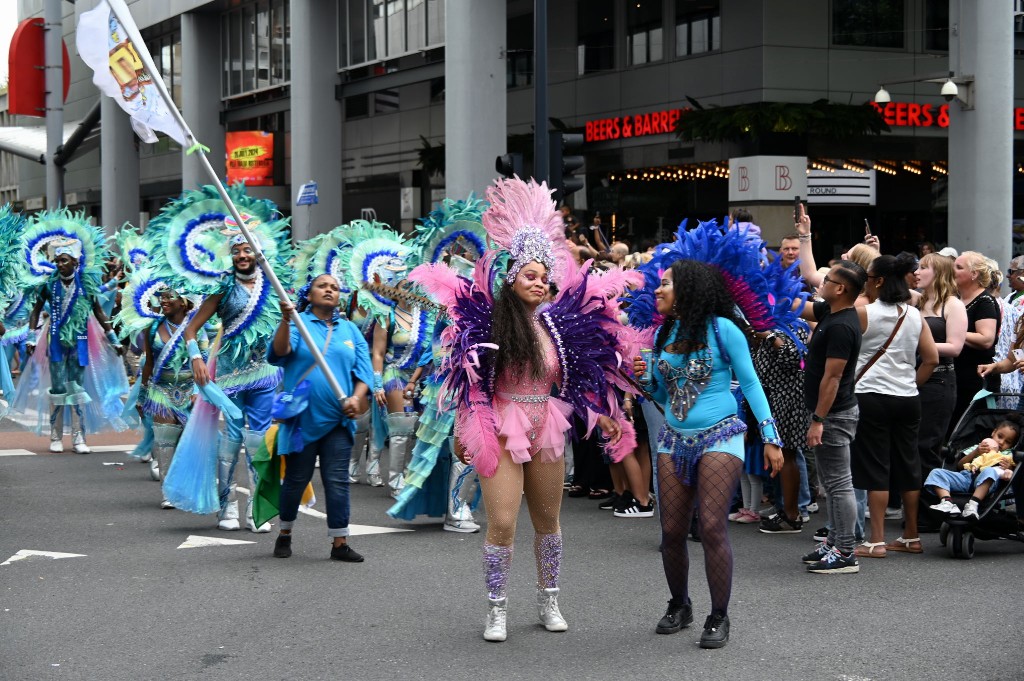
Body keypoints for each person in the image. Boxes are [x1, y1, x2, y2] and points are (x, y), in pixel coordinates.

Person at [411, 178, 635, 643]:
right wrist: (464, 430)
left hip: (546, 425)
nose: (538, 282)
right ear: (510, 277)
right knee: (503, 522)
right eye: (529, 274)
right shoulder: (486, 321)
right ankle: (496, 609)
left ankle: (548, 598)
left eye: (543, 275)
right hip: (500, 425)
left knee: (548, 522)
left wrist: (607, 412)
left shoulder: (557, 326)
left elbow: (575, 382)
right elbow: (469, 381)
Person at [634, 259, 783, 649]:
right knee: (671, 531)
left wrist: (771, 437)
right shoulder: (664, 334)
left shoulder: (724, 329)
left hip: (721, 435)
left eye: (665, 284)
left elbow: (751, 383)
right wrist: (648, 378)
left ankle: (719, 615)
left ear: (687, 289)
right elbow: (668, 400)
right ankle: (680, 604)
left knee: (713, 526)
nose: (658, 290)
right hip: (673, 437)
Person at [149, 186, 293, 532]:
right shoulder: (222, 287)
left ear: (258, 252)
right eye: (237, 250)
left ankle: (256, 510)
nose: (243, 255)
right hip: (228, 373)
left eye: (248, 249)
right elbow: (191, 330)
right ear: (230, 256)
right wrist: (197, 359)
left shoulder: (274, 284)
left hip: (266, 372)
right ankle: (226, 506)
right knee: (230, 440)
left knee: (258, 440)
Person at [269, 275, 373, 561]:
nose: (329, 290)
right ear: (310, 293)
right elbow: (279, 354)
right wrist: (286, 321)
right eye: (322, 286)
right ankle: (285, 533)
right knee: (295, 480)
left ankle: (339, 542)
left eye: (335, 287)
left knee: (337, 480)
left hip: (338, 421)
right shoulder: (297, 323)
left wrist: (356, 397)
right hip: (301, 421)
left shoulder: (351, 330)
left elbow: (363, 374)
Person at [849, 254, 938, 558]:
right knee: (908, 464)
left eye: (869, 278)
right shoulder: (914, 315)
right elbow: (932, 359)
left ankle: (875, 540)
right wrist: (912, 383)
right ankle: (911, 536)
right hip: (907, 398)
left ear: (879, 281)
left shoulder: (863, 313)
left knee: (876, 466)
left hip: (870, 396)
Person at [17, 214, 128, 452]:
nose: (59, 265)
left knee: (78, 389)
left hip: (80, 339)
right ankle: (56, 437)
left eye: (64, 261)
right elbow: (35, 312)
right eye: (57, 261)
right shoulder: (48, 284)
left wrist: (114, 339)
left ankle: (79, 437)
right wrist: (31, 337)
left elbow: (99, 312)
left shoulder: (86, 285)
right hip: (55, 338)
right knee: (58, 388)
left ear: (76, 262)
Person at [117, 267, 210, 507]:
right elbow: (149, 363)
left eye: (170, 296)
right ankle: (168, 492)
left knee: (188, 443)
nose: (164, 301)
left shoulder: (196, 327)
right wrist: (142, 396)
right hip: (162, 390)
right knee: (165, 441)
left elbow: (206, 361)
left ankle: (186, 487)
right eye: (162, 297)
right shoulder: (152, 327)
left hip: (190, 390)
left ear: (183, 302)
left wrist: (199, 393)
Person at [799, 258, 866, 575]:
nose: (821, 283)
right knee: (833, 481)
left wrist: (818, 420)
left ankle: (845, 552)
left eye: (827, 281)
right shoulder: (832, 311)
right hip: (831, 413)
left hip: (834, 415)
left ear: (840, 289)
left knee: (839, 484)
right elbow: (799, 307)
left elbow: (833, 378)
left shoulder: (842, 325)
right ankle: (836, 542)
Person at [914, 253, 967, 472]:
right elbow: (887, 284)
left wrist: (916, 344)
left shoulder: (953, 305)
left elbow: (955, 347)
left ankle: (931, 501)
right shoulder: (918, 300)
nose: (916, 272)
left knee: (927, 445)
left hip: (939, 381)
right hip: (913, 377)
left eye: (923, 268)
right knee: (910, 444)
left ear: (939, 274)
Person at [926, 419, 1019, 520]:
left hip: (987, 483)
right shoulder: (979, 447)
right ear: (994, 432)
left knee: (990, 471)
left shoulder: (1008, 454)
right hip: (966, 478)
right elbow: (960, 465)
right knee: (936, 473)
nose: (1001, 442)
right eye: (1000, 436)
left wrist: (1008, 467)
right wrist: (975, 452)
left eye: (1007, 442)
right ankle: (947, 502)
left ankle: (972, 505)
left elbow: (1011, 472)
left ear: (1012, 445)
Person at [950, 252, 998, 434]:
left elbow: (986, 339)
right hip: (956, 375)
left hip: (975, 378)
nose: (953, 270)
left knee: (967, 433)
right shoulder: (956, 299)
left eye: (959, 267)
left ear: (974, 274)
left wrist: (955, 332)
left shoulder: (984, 301)